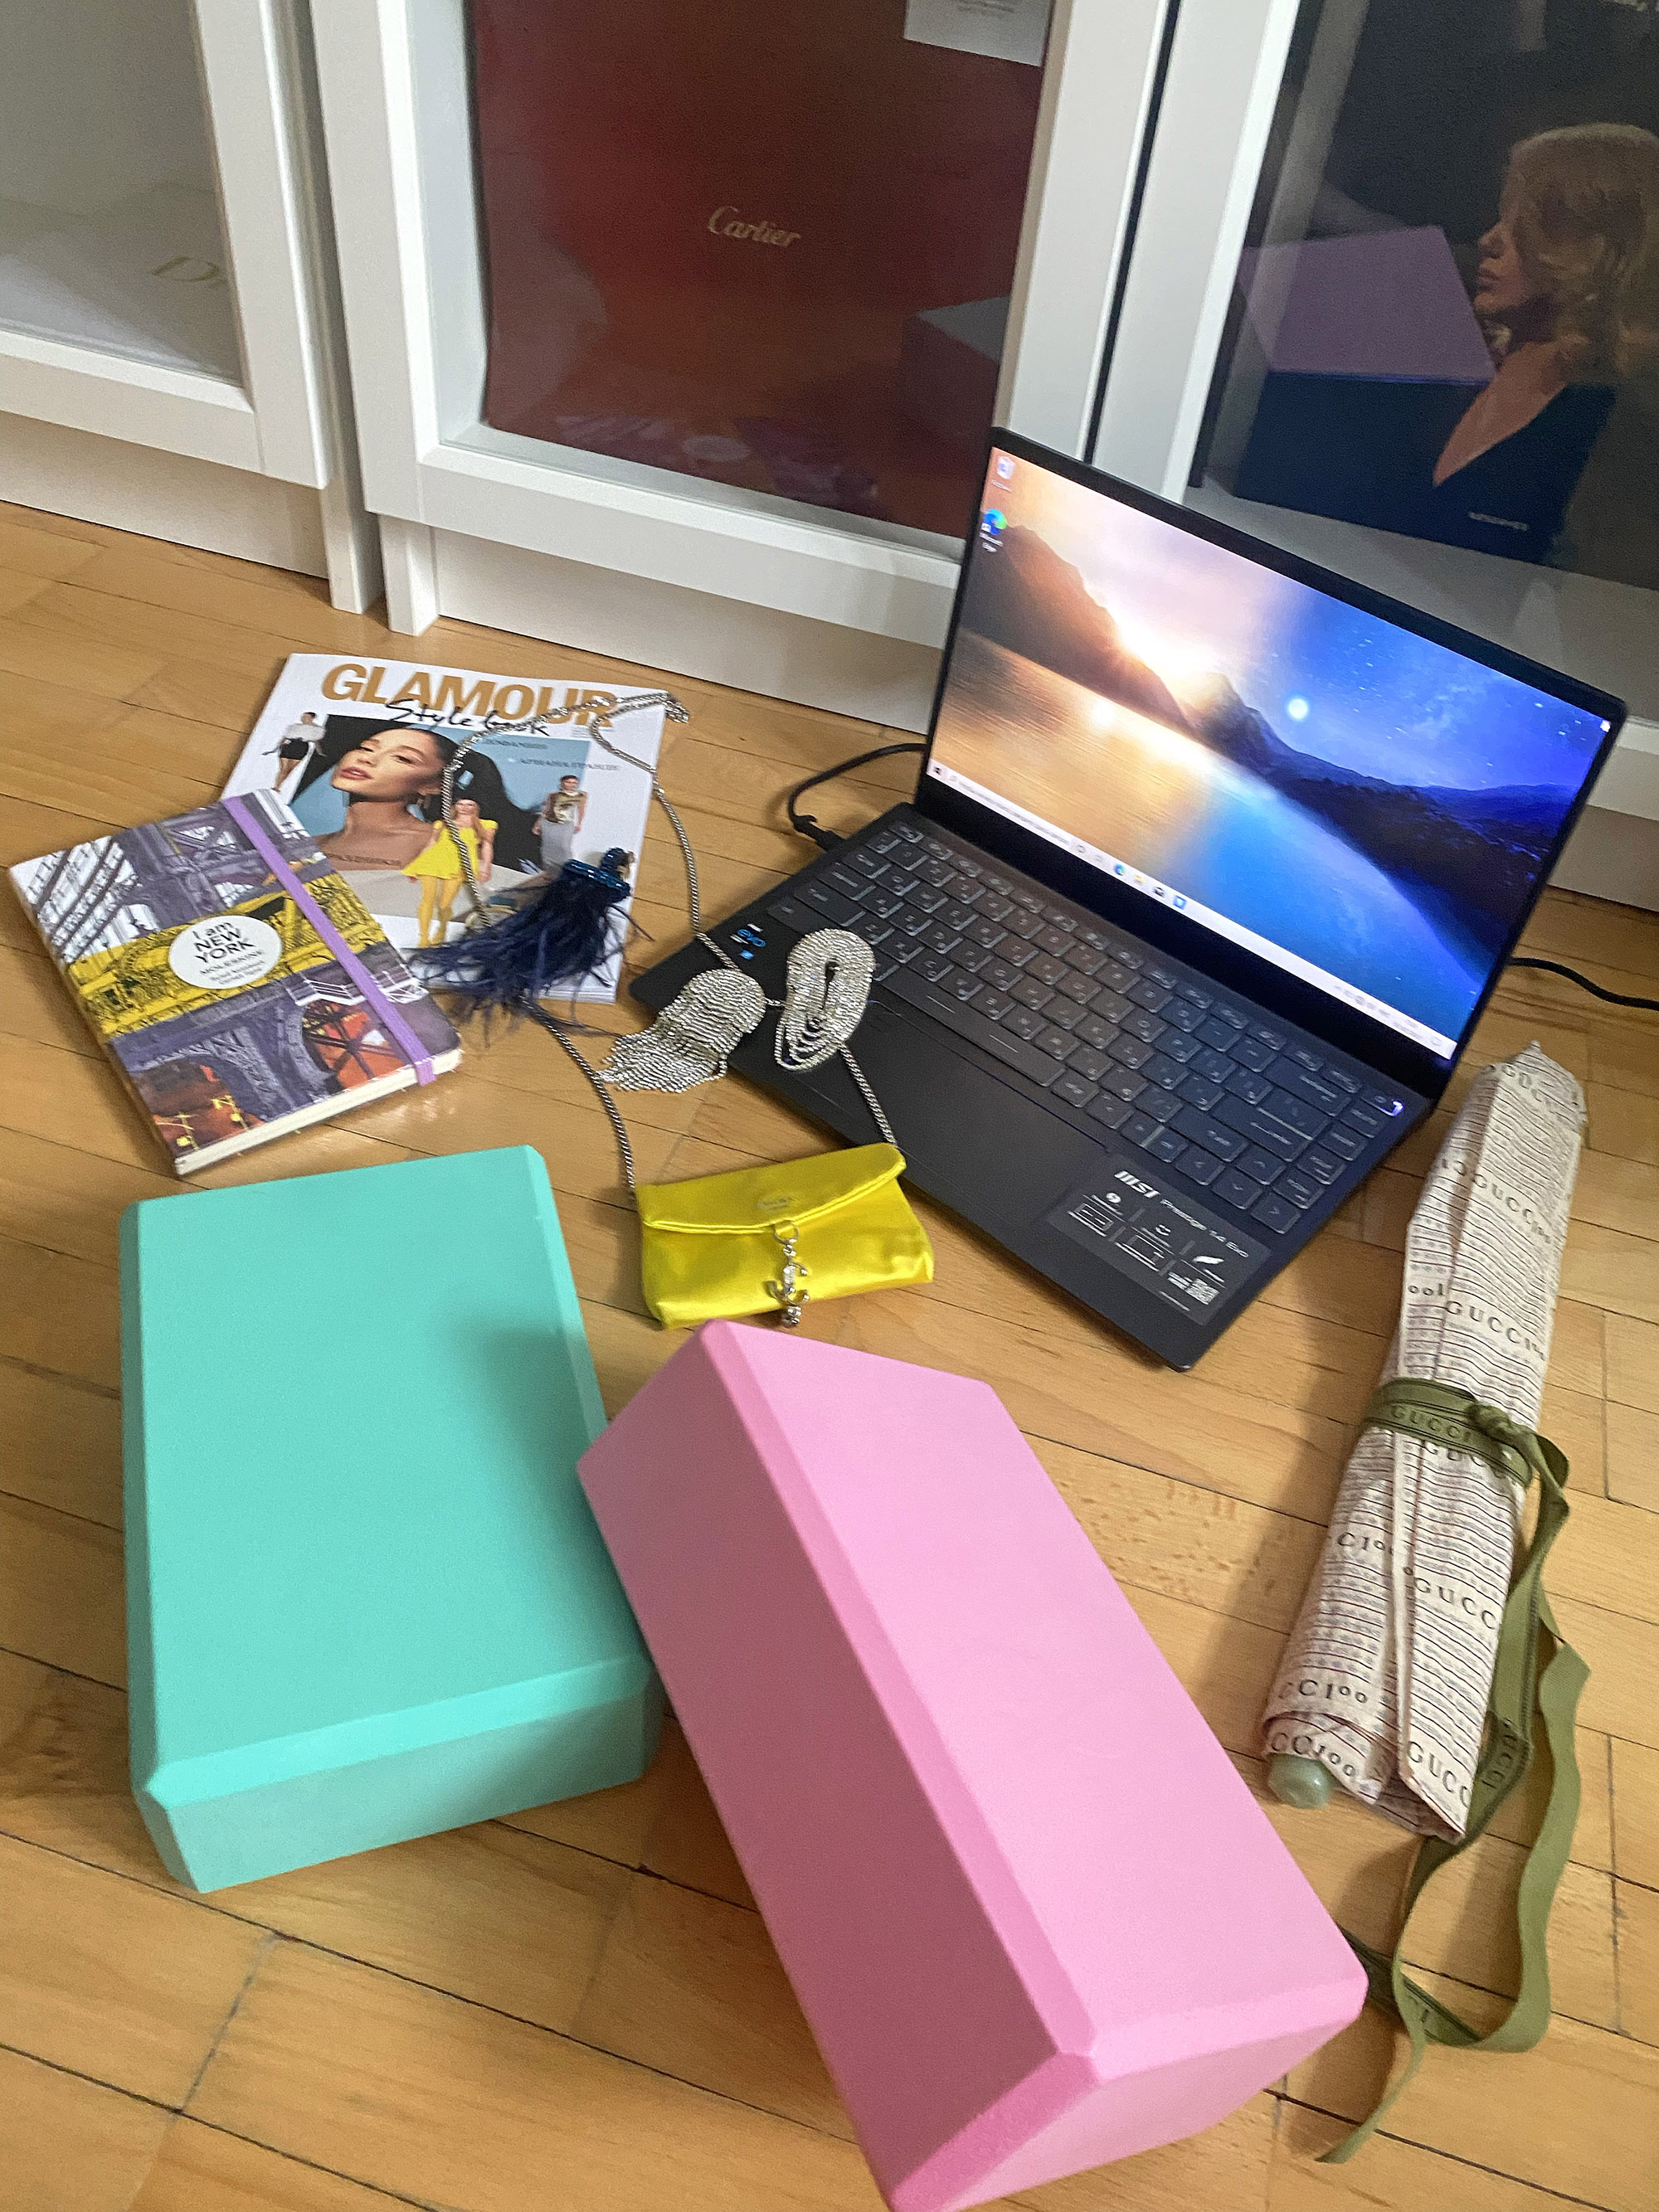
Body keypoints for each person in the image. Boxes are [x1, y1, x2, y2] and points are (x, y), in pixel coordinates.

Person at [1416, 123, 1659, 566]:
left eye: (1527, 226)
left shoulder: (1623, 430)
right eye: (1503, 217)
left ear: (1600, 250)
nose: (1489, 241)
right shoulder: (1458, 369)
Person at [402, 798, 496, 946]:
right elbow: (432, 843)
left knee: (444, 905)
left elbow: (487, 846)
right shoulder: (443, 823)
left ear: (476, 807)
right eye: (460, 804)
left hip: (458, 866)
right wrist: (416, 866)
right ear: (455, 806)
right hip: (432, 862)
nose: (464, 807)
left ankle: (442, 930)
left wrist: (486, 866)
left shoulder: (486, 825)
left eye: (470, 804)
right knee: (427, 900)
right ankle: (423, 939)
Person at [538, 774, 589, 873]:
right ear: (562, 783)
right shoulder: (553, 795)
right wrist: (538, 824)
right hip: (549, 823)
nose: (571, 785)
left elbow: (581, 810)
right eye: (568, 782)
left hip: (566, 823)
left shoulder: (581, 796)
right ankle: (548, 868)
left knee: (564, 846)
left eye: (574, 783)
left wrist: (579, 823)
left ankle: (567, 868)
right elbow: (546, 810)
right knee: (548, 846)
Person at [268, 710, 320, 793]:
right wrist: (276, 748)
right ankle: (276, 787)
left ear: (312, 718)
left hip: (301, 747)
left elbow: (316, 741)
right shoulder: (294, 726)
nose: (303, 718)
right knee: (283, 769)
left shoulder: (316, 729)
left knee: (290, 769)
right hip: (289, 745)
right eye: (303, 717)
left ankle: (279, 786)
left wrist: (319, 752)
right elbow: (284, 737)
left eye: (306, 717)